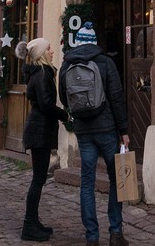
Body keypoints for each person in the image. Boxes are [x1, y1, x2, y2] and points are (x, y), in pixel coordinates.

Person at [58, 22, 130, 246]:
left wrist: (77, 115)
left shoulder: (66, 64)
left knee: (87, 182)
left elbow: (63, 97)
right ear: (94, 41)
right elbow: (116, 98)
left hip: (84, 130)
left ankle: (92, 237)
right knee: (116, 179)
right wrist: (124, 130)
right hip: (107, 128)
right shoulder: (105, 62)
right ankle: (116, 232)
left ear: (77, 43)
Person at [15, 37, 69, 242]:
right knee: (38, 179)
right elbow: (46, 104)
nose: (52, 51)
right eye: (49, 48)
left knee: (39, 178)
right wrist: (65, 116)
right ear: (40, 54)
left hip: (39, 129)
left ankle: (33, 221)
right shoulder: (42, 74)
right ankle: (29, 224)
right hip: (39, 131)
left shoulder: (39, 73)